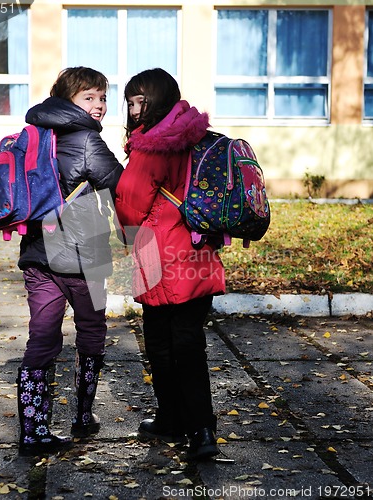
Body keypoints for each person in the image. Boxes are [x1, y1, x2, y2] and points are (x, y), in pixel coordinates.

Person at [114, 68, 226, 461]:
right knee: (191, 344)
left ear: (151, 102)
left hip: (159, 257)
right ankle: (202, 430)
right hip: (199, 253)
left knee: (162, 345)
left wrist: (128, 237)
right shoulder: (198, 137)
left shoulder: (150, 148)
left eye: (134, 101)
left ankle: (172, 419)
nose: (129, 109)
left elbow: (130, 203)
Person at [16, 67, 123, 456]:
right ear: (68, 100)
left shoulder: (34, 134)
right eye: (89, 97)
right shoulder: (86, 141)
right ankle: (82, 415)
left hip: (37, 254)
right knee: (91, 331)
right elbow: (121, 186)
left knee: (41, 337)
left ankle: (33, 429)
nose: (98, 105)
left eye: (102, 97)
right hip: (85, 257)